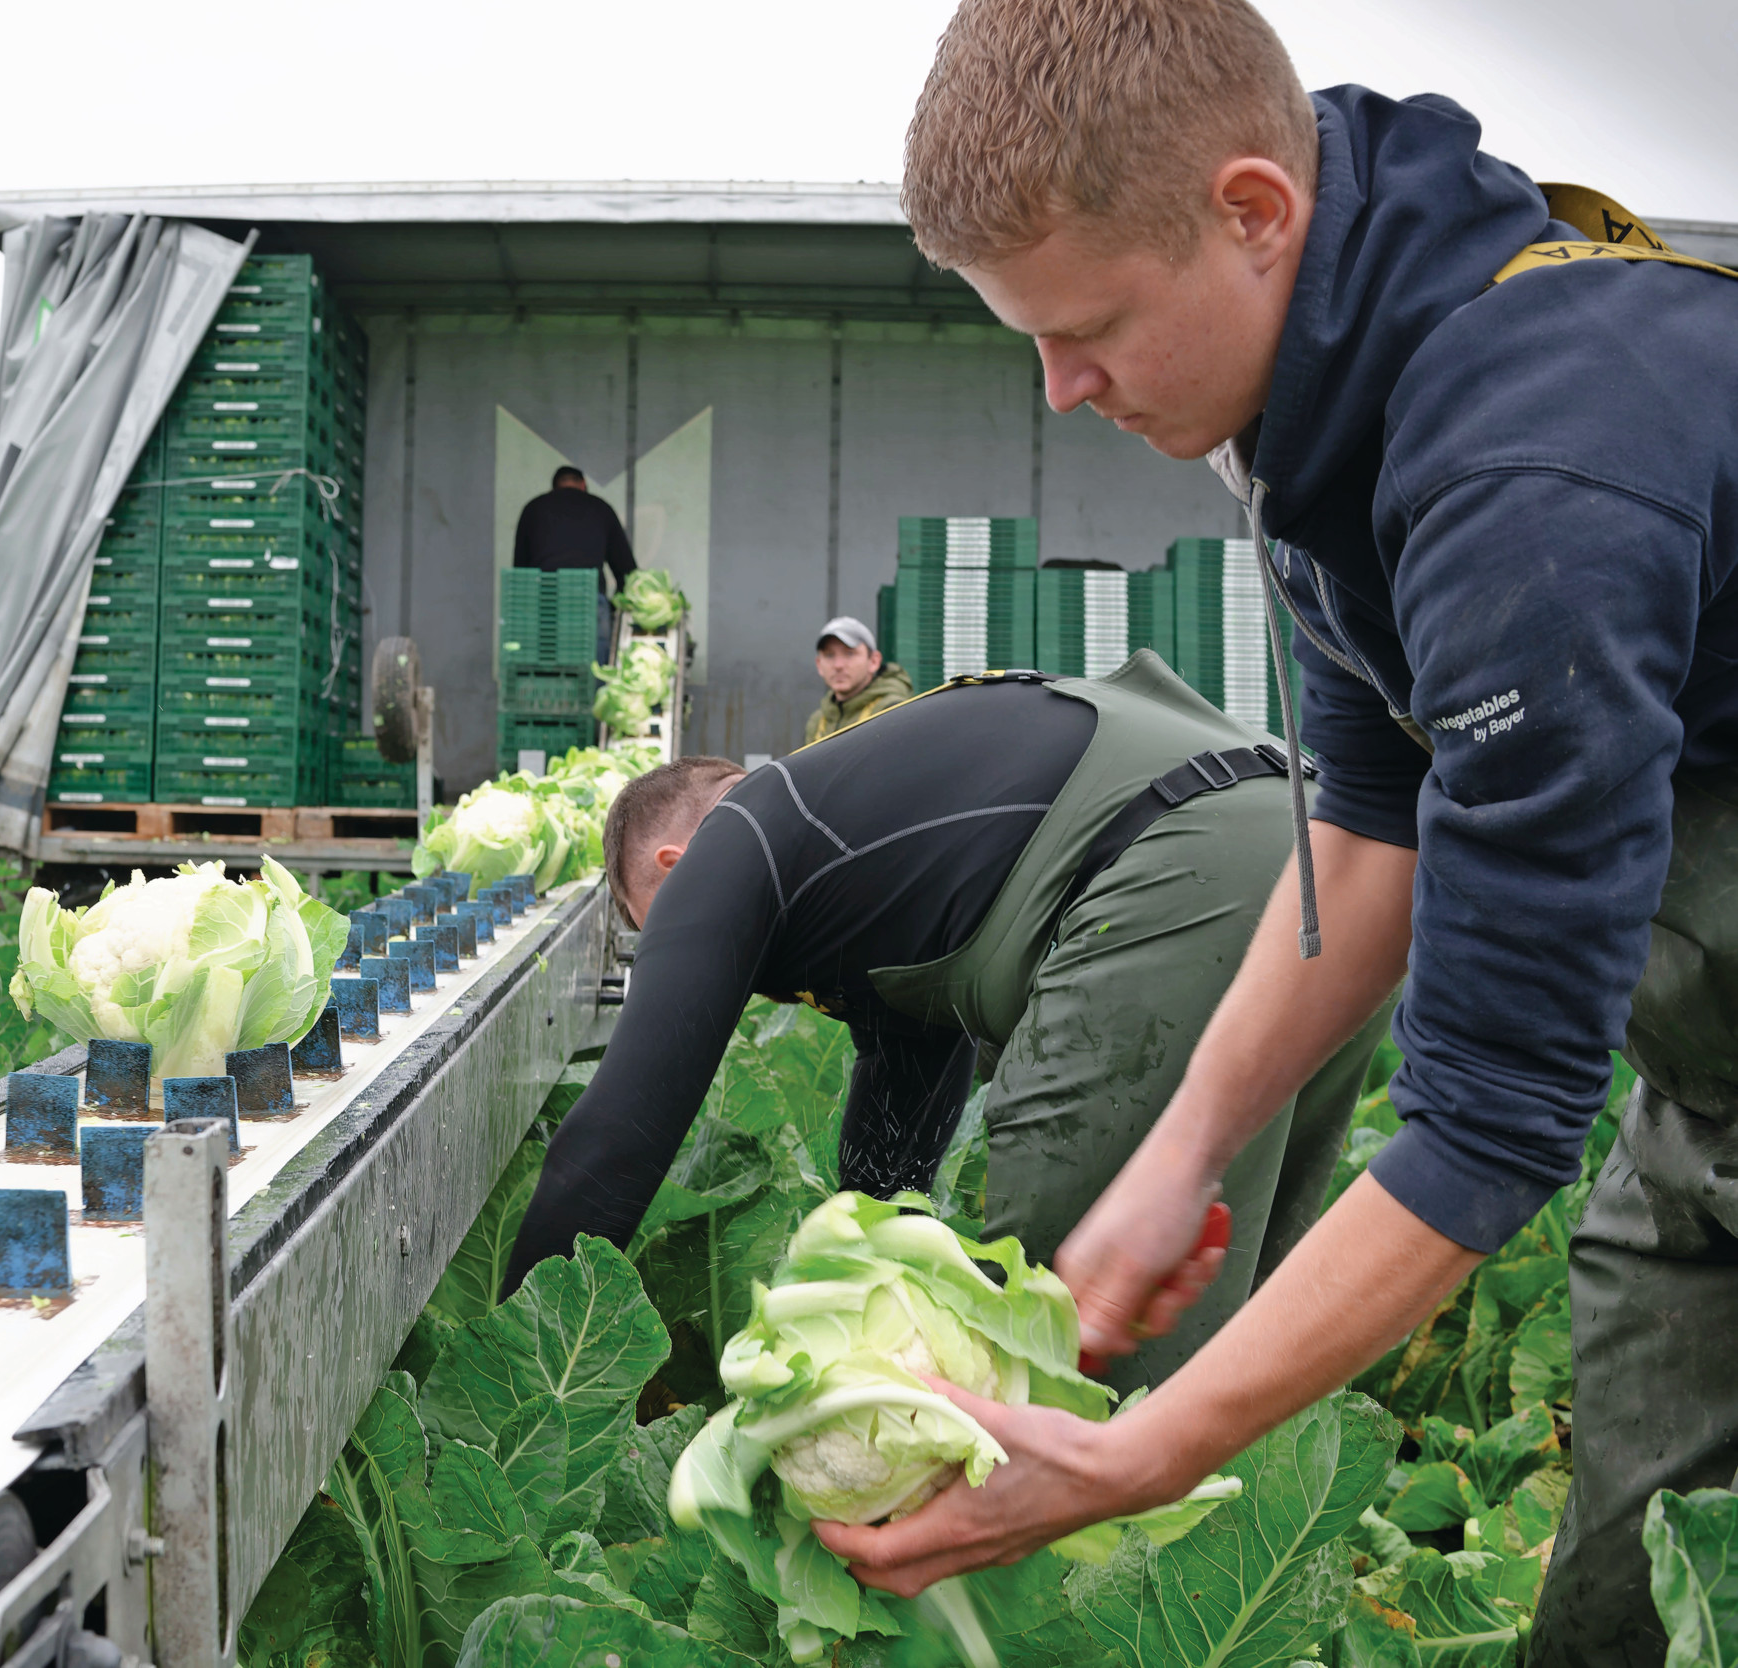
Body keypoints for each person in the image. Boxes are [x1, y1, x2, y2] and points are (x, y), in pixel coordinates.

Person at [815, 5, 1738, 1662]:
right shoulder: (1337, 426)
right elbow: (1376, 831)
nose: (1062, 385)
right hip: (1712, 1091)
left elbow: (1491, 1111)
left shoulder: (1537, 467)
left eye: (1091, 325)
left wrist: (1150, 1449)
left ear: (1254, 211)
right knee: (1640, 1601)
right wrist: (1176, 1157)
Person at [502, 657, 1391, 1394]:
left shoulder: (739, 834)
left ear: (673, 864)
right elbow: (902, 1114)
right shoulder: (876, 845)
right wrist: (864, 1273)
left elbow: (615, 1140)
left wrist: (515, 1370)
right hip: (1340, 851)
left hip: (1186, 873)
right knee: (1231, 1324)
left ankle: (1075, 1595)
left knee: (1067, 1347)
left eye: (655, 920)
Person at [513, 465, 637, 647]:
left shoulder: (533, 508)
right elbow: (626, 570)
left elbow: (520, 570)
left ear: (554, 488)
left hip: (545, 605)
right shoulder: (601, 508)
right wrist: (615, 608)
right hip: (589, 604)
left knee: (547, 665)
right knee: (593, 669)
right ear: (583, 485)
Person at [804, 616, 916, 746]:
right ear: (819, 665)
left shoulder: (892, 711)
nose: (838, 665)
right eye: (829, 655)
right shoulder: (817, 721)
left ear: (874, 661)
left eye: (849, 654)